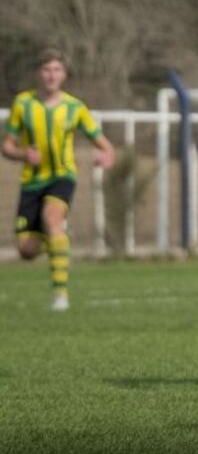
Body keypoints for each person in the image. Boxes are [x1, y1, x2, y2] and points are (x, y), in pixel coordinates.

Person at [2, 49, 115, 311]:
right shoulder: (23, 104)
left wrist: (107, 155)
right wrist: (22, 153)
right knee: (26, 250)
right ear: (37, 73)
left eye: (56, 70)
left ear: (63, 74)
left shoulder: (75, 108)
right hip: (31, 181)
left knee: (52, 217)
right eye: (46, 69)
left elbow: (104, 144)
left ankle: (61, 295)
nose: (51, 75)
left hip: (62, 176)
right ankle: (58, 239)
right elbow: (6, 146)